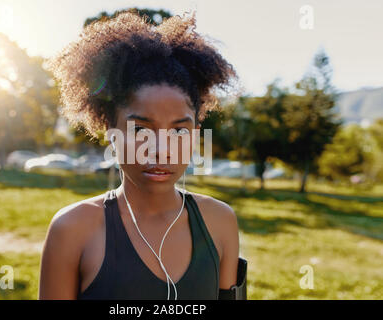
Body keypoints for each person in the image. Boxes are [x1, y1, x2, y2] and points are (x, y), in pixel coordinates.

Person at [39, 10, 246, 300]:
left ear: (195, 136)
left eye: (178, 132)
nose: (161, 150)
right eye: (141, 130)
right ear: (112, 132)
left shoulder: (220, 221)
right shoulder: (73, 229)